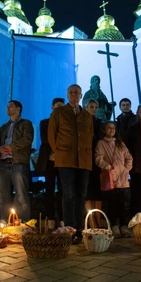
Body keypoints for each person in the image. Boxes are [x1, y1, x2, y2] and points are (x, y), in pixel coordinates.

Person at [48, 84, 93, 243]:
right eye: (71, 92)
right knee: (68, 194)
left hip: (84, 159)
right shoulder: (59, 112)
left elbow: (90, 135)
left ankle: (79, 227)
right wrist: (59, 151)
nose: (74, 95)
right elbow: (52, 135)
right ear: (67, 95)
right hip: (66, 158)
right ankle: (69, 228)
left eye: (77, 93)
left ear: (81, 96)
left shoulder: (87, 115)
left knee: (81, 193)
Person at [0, 100, 33, 221]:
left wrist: (12, 146)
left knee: (21, 196)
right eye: (8, 106)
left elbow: (27, 139)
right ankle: (4, 222)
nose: (8, 108)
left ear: (18, 109)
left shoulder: (26, 123)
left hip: (18, 162)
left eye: (11, 106)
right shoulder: (4, 127)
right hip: (3, 162)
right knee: (2, 196)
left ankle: (23, 223)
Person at [95, 121, 133, 237]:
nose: (111, 130)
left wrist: (126, 168)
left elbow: (128, 157)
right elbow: (98, 158)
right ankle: (114, 226)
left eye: (113, 128)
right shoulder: (101, 143)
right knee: (112, 203)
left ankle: (123, 225)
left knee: (122, 203)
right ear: (104, 130)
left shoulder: (120, 143)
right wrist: (108, 167)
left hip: (122, 178)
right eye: (109, 128)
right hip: (111, 177)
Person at [35, 98, 65, 227]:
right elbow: (45, 139)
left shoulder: (66, 122)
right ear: (52, 107)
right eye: (58, 105)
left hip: (64, 160)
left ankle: (63, 218)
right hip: (49, 160)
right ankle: (50, 217)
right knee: (49, 189)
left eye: (62, 106)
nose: (60, 108)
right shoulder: (44, 122)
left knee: (63, 190)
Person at [84, 99, 103, 229]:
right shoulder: (82, 121)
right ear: (86, 107)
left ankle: (98, 220)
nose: (94, 109)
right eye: (91, 107)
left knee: (97, 191)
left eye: (96, 107)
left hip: (97, 160)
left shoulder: (99, 123)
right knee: (88, 191)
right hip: (85, 159)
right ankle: (90, 221)